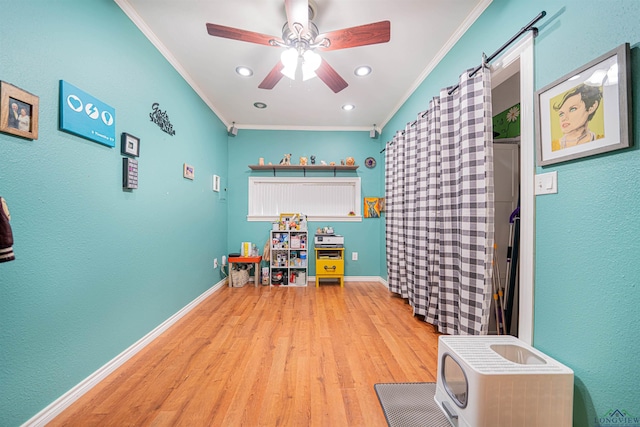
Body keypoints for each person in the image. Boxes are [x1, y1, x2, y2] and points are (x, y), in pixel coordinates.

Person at [552, 84, 603, 151]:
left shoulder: (601, 140)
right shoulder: (553, 147)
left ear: (592, 107)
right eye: (561, 114)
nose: (564, 118)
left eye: (572, 109)